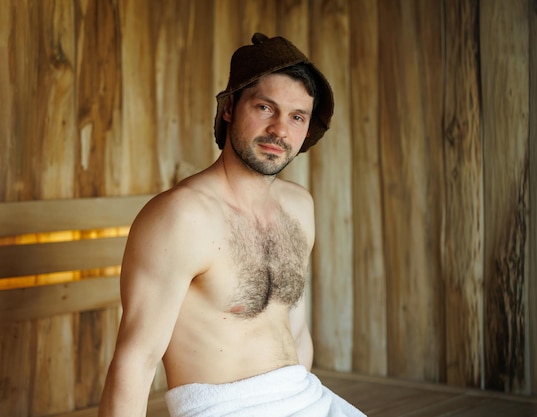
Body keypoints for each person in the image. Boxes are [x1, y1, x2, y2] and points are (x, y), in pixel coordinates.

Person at [98, 33, 366, 417]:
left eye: (296, 117)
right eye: (264, 108)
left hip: (304, 397)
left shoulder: (298, 206)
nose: (279, 130)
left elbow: (295, 329)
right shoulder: (181, 217)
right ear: (229, 108)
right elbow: (134, 361)